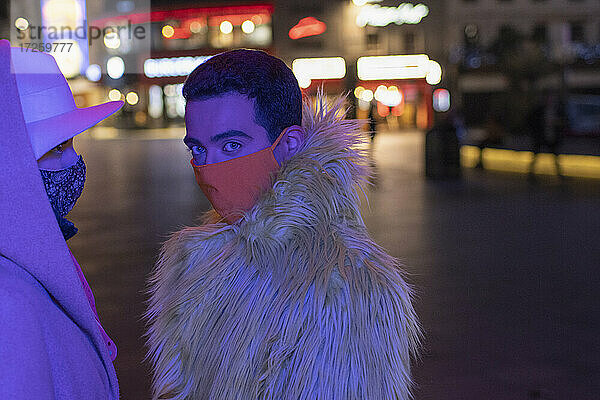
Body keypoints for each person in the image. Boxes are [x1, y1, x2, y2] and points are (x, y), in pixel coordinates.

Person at [145, 49, 421, 400]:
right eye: (197, 150)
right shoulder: (195, 256)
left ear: (288, 145)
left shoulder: (344, 285)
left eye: (231, 145)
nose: (208, 167)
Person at [0, 40, 123, 399]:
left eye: (71, 142)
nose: (73, 162)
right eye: (57, 148)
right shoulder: (10, 299)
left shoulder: (35, 251)